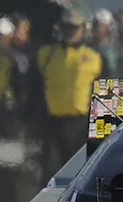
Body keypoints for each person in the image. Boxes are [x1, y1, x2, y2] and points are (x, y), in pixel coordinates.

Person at [36, 10, 102, 184]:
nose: (69, 31)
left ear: (83, 29)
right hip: (52, 124)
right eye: (66, 27)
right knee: (51, 176)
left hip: (81, 125)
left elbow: (110, 89)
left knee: (82, 175)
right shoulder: (47, 54)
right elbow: (34, 86)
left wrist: (106, 127)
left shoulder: (94, 56)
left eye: (74, 27)